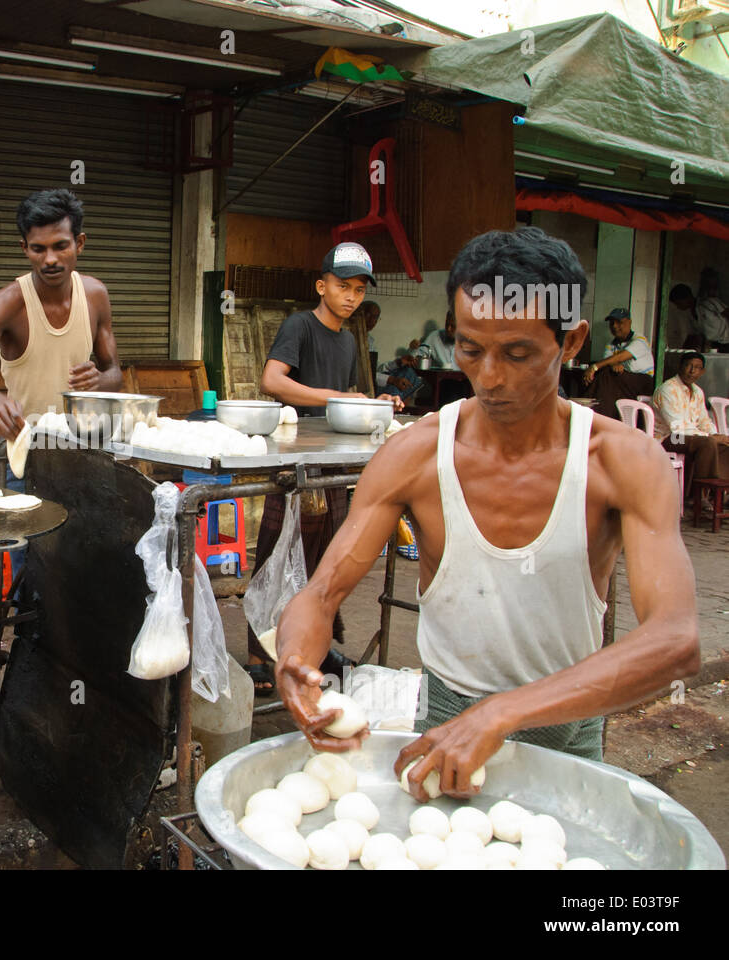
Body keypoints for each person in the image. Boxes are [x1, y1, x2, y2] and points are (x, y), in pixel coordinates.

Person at [272, 226, 698, 792]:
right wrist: (296, 663)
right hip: (444, 723)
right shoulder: (416, 454)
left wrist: (502, 713)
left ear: (571, 342)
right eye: (470, 350)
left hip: (568, 732)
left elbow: (675, 640)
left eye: (518, 353)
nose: (490, 377)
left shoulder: (622, 462)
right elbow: (322, 593)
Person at [249, 242, 403, 694]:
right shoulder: (301, 326)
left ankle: (314, 646)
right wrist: (335, 398)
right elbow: (272, 380)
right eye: (342, 286)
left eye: (358, 289)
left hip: (331, 461)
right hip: (293, 459)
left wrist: (376, 404)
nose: (351, 297)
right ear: (322, 286)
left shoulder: (348, 340)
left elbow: (346, 400)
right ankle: (262, 652)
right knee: (280, 552)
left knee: (324, 558)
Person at [0, 189, 122, 455]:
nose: (50, 259)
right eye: (39, 249)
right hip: (27, 453)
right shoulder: (6, 304)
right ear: (25, 248)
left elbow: (115, 374)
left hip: (84, 450)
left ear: (79, 243)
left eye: (60, 246)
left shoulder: (95, 295)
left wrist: (99, 381)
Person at [653, 352, 729, 491]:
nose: (692, 371)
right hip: (669, 437)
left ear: (702, 372)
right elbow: (676, 426)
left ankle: (721, 493)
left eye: (697, 367)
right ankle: (700, 494)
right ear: (680, 366)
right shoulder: (668, 389)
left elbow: (704, 421)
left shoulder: (698, 392)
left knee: (724, 443)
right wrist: (710, 437)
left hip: (689, 437)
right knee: (707, 442)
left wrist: (716, 435)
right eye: (688, 365)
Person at [580, 307, 655, 420]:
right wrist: (613, 364)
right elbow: (609, 361)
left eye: (619, 322)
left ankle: (589, 411)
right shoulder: (611, 344)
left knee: (604, 375)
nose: (615, 326)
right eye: (612, 323)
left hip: (642, 382)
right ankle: (597, 414)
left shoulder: (639, 339)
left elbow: (620, 357)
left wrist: (594, 367)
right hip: (622, 382)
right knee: (605, 376)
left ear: (629, 323)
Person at [669, 283, 728, 351]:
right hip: (713, 346)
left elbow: (727, 313)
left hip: (726, 342)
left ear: (687, 298)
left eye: (678, 303)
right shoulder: (689, 314)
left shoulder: (708, 303)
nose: (678, 306)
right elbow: (692, 336)